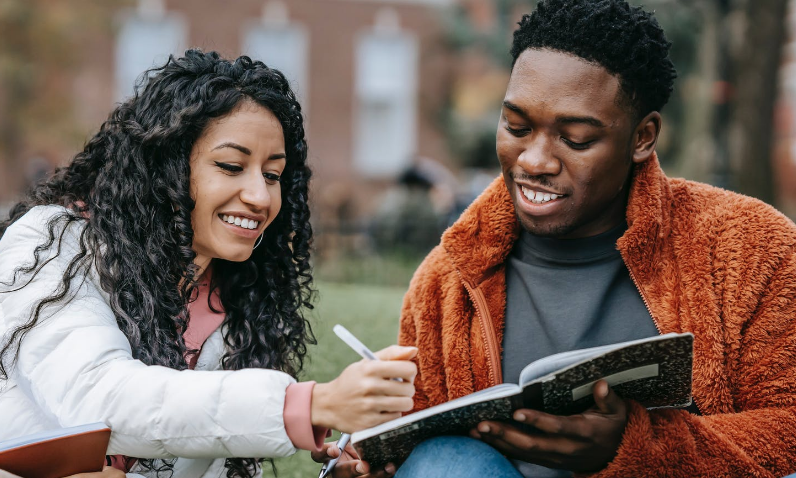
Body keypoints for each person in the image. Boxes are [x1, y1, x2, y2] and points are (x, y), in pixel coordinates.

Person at [321, 0, 796, 476]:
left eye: (575, 138)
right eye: (517, 126)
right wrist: (367, 463)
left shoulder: (749, 248)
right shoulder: (448, 279)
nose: (534, 160)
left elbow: (788, 431)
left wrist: (639, 449)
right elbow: (413, 430)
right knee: (443, 462)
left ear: (643, 137)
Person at [0, 50, 417, 478]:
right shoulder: (54, 243)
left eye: (272, 175)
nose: (259, 196)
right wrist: (309, 405)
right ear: (164, 166)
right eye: (231, 166)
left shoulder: (239, 300)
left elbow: (206, 441)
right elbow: (95, 398)